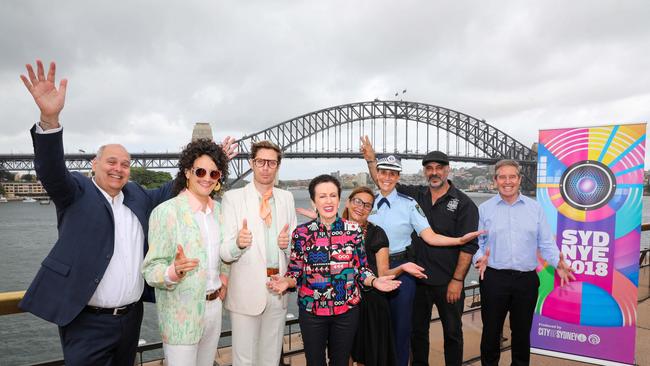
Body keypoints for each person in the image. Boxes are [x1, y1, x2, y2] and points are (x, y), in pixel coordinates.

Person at [17, 60, 235, 365]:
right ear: (94, 164)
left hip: (131, 318)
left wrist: (212, 161)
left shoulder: (137, 196)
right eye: (111, 162)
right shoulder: (75, 192)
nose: (118, 169)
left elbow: (185, 184)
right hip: (87, 321)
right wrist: (49, 120)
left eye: (124, 164)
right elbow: (51, 171)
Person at [361, 136, 479, 366]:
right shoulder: (416, 194)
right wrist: (371, 161)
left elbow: (462, 245)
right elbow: (384, 181)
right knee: (416, 332)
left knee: (452, 333)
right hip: (417, 277)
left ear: (448, 171)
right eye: (429, 168)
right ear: (425, 172)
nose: (434, 172)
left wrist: (458, 278)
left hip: (447, 280)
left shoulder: (464, 203)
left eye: (439, 168)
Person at [268, 175, 401, 366]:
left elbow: (361, 269)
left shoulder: (354, 231)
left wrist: (374, 281)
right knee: (315, 362)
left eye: (332, 195)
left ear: (339, 200)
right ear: (314, 202)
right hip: (312, 312)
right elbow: (295, 272)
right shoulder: (301, 233)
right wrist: (286, 281)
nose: (328, 200)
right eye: (322, 196)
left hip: (346, 312)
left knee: (340, 362)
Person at [473, 159, 575, 366]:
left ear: (519, 180)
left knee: (521, 334)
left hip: (526, 281)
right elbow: (478, 243)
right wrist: (478, 258)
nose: (507, 181)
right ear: (495, 181)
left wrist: (558, 262)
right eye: (502, 177)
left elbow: (546, 243)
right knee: (491, 332)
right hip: (494, 278)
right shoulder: (484, 209)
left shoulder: (535, 208)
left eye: (512, 177)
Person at [142, 139, 230, 366]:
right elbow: (151, 270)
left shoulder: (220, 212)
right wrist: (173, 271)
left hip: (213, 307)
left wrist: (224, 282)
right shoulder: (166, 212)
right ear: (187, 173)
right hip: (180, 312)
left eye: (214, 173)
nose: (207, 178)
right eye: (200, 171)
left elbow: (224, 255)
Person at [220, 140, 297, 366]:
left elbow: (295, 254)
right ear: (251, 163)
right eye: (260, 161)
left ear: (277, 166)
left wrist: (288, 244)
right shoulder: (232, 198)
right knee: (244, 359)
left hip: (278, 288)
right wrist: (238, 244)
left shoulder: (287, 199)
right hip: (246, 292)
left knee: (271, 358)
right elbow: (224, 252)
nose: (265, 167)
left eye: (271, 162)